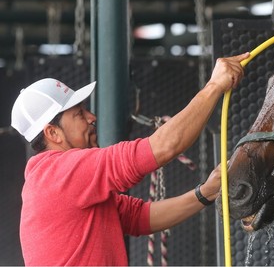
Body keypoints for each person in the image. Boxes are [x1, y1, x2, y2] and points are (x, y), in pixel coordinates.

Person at [10, 52, 249, 266]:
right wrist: (214, 86)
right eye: (79, 114)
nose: (91, 117)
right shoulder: (61, 172)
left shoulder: (51, 178)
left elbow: (140, 218)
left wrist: (206, 193)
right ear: (52, 133)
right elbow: (164, 147)